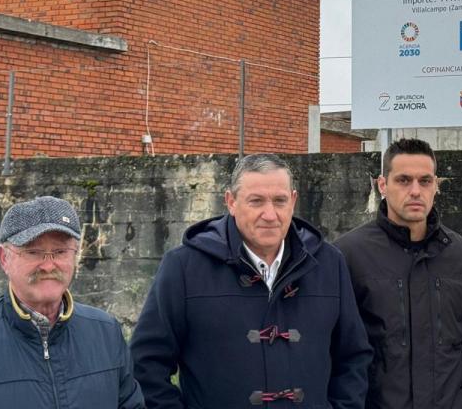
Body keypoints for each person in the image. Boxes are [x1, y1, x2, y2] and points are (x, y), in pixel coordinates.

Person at [130, 153, 371, 409]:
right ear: (231, 202)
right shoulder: (184, 267)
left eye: (279, 201)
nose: (270, 214)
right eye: (256, 201)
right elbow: (146, 363)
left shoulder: (328, 263)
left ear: (293, 201)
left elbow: (353, 357)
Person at [0, 196, 144, 409]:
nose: (48, 265)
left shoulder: (106, 333)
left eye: (60, 251)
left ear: (75, 255)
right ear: (4, 258)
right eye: (33, 252)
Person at [334, 137, 462, 409]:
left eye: (425, 181)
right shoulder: (348, 255)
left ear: (436, 185)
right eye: (403, 180)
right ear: (382, 185)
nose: (415, 191)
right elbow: (336, 351)